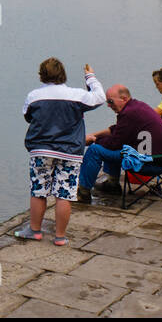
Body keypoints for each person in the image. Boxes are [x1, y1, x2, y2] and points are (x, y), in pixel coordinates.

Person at [16, 59, 106, 245]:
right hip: (70, 151)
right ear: (63, 74)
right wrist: (90, 77)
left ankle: (35, 230)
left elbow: (27, 116)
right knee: (64, 194)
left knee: (39, 190)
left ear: (42, 75)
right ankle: (59, 237)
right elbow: (100, 97)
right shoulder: (76, 96)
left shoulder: (34, 96)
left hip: (41, 150)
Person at [77, 83, 162, 202]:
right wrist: (94, 135)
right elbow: (116, 130)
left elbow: (114, 143)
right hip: (161, 159)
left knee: (95, 150)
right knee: (109, 145)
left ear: (124, 98)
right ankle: (112, 185)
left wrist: (94, 140)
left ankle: (83, 193)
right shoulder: (136, 107)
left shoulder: (129, 113)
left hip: (149, 163)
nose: (108, 105)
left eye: (110, 101)